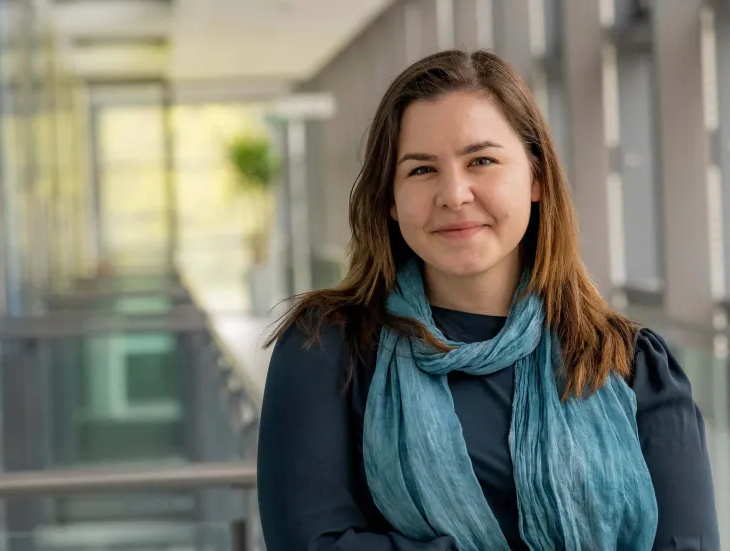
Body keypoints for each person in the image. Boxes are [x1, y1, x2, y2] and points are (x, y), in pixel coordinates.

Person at [256, 50, 720, 550]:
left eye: (481, 161)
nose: (454, 194)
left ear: (536, 178)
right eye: (421, 170)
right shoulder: (326, 350)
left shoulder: (630, 365)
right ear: (389, 199)